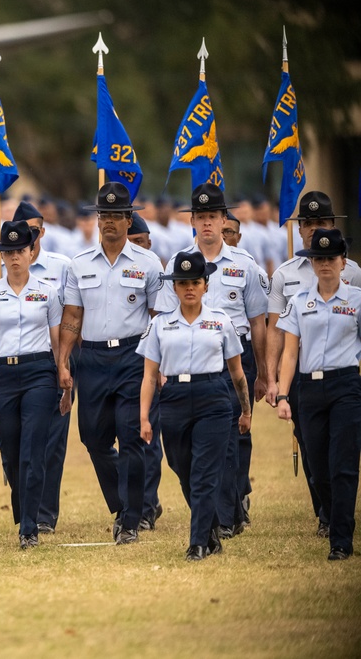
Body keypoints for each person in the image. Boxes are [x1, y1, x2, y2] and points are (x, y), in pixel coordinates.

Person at [156, 183, 268, 539]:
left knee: (228, 442)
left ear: (224, 220)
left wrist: (263, 371)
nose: (206, 223)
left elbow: (257, 322)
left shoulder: (244, 265)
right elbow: (162, 318)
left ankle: (220, 519)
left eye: (212, 217)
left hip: (235, 358)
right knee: (182, 453)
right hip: (189, 361)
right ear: (193, 222)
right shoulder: (180, 263)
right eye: (200, 217)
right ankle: (228, 511)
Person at [58, 181, 162, 545]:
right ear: (97, 219)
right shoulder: (79, 264)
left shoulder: (148, 263)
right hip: (92, 358)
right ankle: (124, 503)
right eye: (105, 215)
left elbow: (158, 316)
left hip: (134, 356)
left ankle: (132, 519)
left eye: (118, 215)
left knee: (132, 437)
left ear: (129, 219)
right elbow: (72, 315)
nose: (110, 222)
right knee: (94, 438)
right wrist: (63, 363)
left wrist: (157, 362)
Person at [137, 251, 251, 561]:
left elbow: (237, 372)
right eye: (183, 282)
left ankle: (198, 542)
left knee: (204, 473)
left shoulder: (221, 321)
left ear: (205, 285)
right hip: (173, 396)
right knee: (181, 467)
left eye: (195, 282)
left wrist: (245, 409)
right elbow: (149, 376)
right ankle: (212, 527)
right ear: (174, 287)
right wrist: (144, 417)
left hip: (213, 397)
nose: (189, 288)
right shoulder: (160, 325)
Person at [264, 191, 361, 538]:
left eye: (320, 223)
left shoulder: (354, 275)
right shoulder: (286, 276)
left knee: (342, 453)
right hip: (303, 376)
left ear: (333, 226)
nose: (312, 228)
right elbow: (278, 332)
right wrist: (274, 380)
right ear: (299, 228)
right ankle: (326, 509)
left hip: (345, 377)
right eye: (307, 223)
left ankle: (336, 522)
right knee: (312, 450)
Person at [0, 220, 68, 548]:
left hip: (39, 373)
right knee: (10, 451)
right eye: (8, 252)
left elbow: (57, 341)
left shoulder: (47, 292)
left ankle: (29, 526)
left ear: (31, 252)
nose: (14, 258)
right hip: (2, 377)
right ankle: (23, 507)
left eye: (20, 251)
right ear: (2, 256)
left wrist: (63, 377)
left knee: (32, 450)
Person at [126, 212, 165, 531]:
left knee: (148, 433)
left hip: (149, 358)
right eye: (130, 241)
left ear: (149, 242)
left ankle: (148, 504)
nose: (133, 246)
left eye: (139, 241)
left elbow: (160, 317)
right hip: (119, 358)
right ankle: (136, 499)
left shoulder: (153, 266)